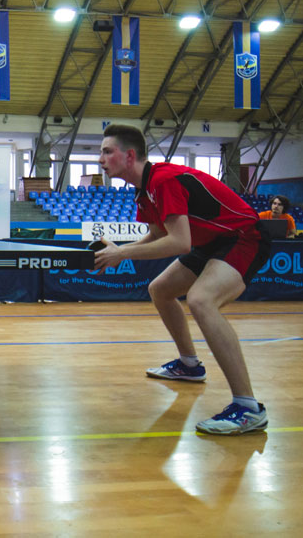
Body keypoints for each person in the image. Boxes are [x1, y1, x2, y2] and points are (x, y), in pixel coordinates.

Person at [93, 124, 270, 435]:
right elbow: (157, 235)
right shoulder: (143, 191)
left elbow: (179, 242)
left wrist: (122, 254)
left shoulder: (163, 180)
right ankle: (189, 365)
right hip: (211, 243)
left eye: (107, 152)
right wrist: (119, 251)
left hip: (243, 236)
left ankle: (248, 407)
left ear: (129, 155)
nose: (101, 159)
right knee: (160, 289)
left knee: (201, 300)